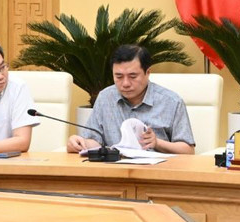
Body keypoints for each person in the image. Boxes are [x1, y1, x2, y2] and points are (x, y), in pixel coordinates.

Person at [66, 44, 195, 153]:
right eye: (119, 76)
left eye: (133, 76)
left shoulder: (172, 102)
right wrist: (79, 143)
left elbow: (188, 151)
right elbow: (95, 141)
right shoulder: (105, 98)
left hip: (157, 172)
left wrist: (157, 143)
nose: (125, 83)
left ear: (148, 73)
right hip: (115, 171)